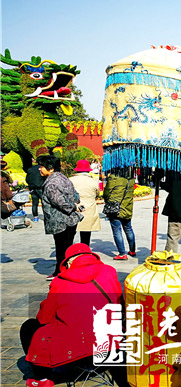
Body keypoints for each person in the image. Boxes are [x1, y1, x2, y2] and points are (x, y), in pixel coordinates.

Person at [20, 243, 127, 386]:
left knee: (29, 327)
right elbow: (120, 303)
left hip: (75, 354)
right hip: (111, 347)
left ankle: (42, 379)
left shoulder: (60, 282)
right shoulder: (110, 271)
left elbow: (44, 318)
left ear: (69, 263)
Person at [37, 155, 83, 281]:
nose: (40, 169)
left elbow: (60, 202)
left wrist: (72, 207)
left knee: (61, 249)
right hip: (70, 220)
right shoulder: (64, 179)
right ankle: (65, 270)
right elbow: (76, 196)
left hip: (60, 221)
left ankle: (61, 273)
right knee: (66, 247)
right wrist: (75, 205)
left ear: (51, 168)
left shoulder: (52, 183)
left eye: (42, 166)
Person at [103, 173, 136, 260]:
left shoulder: (114, 177)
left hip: (115, 208)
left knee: (117, 230)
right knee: (128, 229)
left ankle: (122, 254)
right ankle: (132, 250)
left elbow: (106, 192)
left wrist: (107, 199)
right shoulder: (131, 178)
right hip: (127, 207)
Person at [69, 160, 100, 246]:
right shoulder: (94, 181)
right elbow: (97, 194)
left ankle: (69, 250)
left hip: (73, 209)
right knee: (86, 235)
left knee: (70, 235)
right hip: (88, 209)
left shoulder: (70, 180)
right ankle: (85, 250)